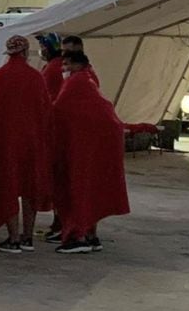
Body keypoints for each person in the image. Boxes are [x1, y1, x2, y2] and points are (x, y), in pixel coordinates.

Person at [0, 35, 53, 254]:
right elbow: (45, 110)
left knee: (8, 188)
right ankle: (28, 236)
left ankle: (13, 237)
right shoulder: (36, 77)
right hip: (32, 141)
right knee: (29, 190)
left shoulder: (1, 76)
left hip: (7, 141)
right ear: (26, 52)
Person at [51, 51, 130, 254]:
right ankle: (91, 234)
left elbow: (58, 111)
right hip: (96, 143)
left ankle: (77, 236)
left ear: (77, 65)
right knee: (91, 188)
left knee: (78, 188)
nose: (63, 69)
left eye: (67, 64)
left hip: (83, 145)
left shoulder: (76, 83)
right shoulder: (88, 80)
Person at [38, 33, 65, 99]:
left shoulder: (49, 69)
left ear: (48, 49)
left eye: (42, 47)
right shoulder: (66, 63)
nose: (41, 50)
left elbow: (41, 91)